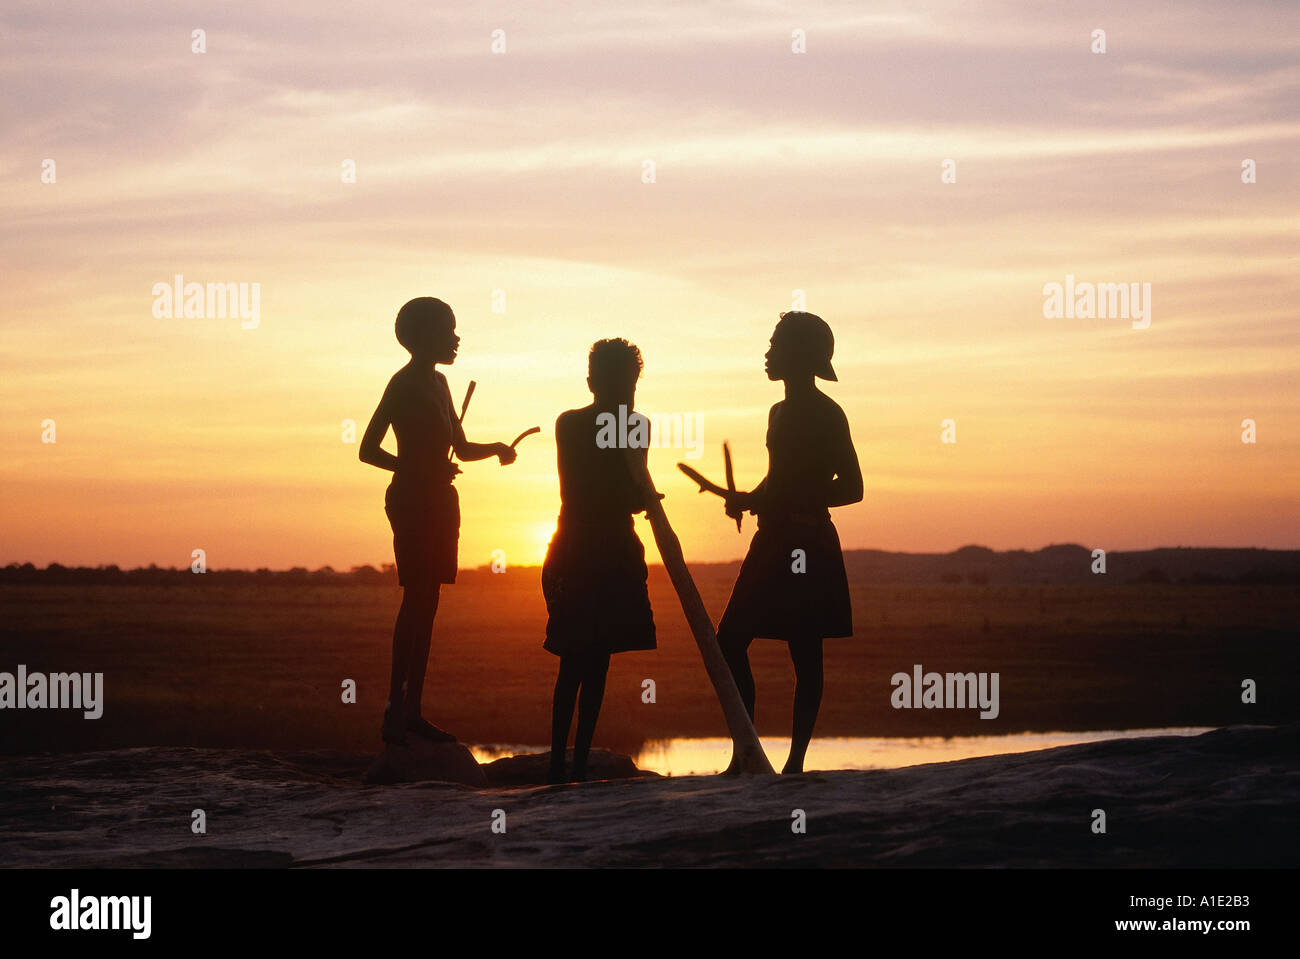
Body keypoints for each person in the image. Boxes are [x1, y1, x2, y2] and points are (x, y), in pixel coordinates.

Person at [359, 296, 517, 746]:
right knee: (415, 601)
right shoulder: (402, 384)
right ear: (423, 337)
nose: (456, 338)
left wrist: (498, 449)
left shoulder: (442, 384)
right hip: (412, 502)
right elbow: (368, 449)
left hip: (442, 502)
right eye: (448, 331)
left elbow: (462, 449)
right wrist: (420, 470)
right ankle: (396, 710)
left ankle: (412, 712)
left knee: (428, 607)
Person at [717, 311, 863, 774]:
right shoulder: (777, 412)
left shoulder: (827, 413)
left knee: (805, 650)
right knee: (729, 642)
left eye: (776, 345)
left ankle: (795, 763)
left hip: (807, 542)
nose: (767, 353)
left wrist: (795, 496)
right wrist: (750, 498)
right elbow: (776, 479)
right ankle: (749, 754)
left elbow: (854, 487)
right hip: (772, 539)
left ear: (800, 357)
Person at [542, 339, 657, 783]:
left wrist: (639, 495)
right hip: (577, 551)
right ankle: (558, 764)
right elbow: (590, 489)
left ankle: (578, 763)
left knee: (597, 660)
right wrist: (641, 496)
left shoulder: (634, 425)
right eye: (618, 384)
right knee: (574, 658)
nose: (626, 392)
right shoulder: (571, 424)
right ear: (592, 383)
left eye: (630, 384)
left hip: (613, 553)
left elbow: (628, 486)